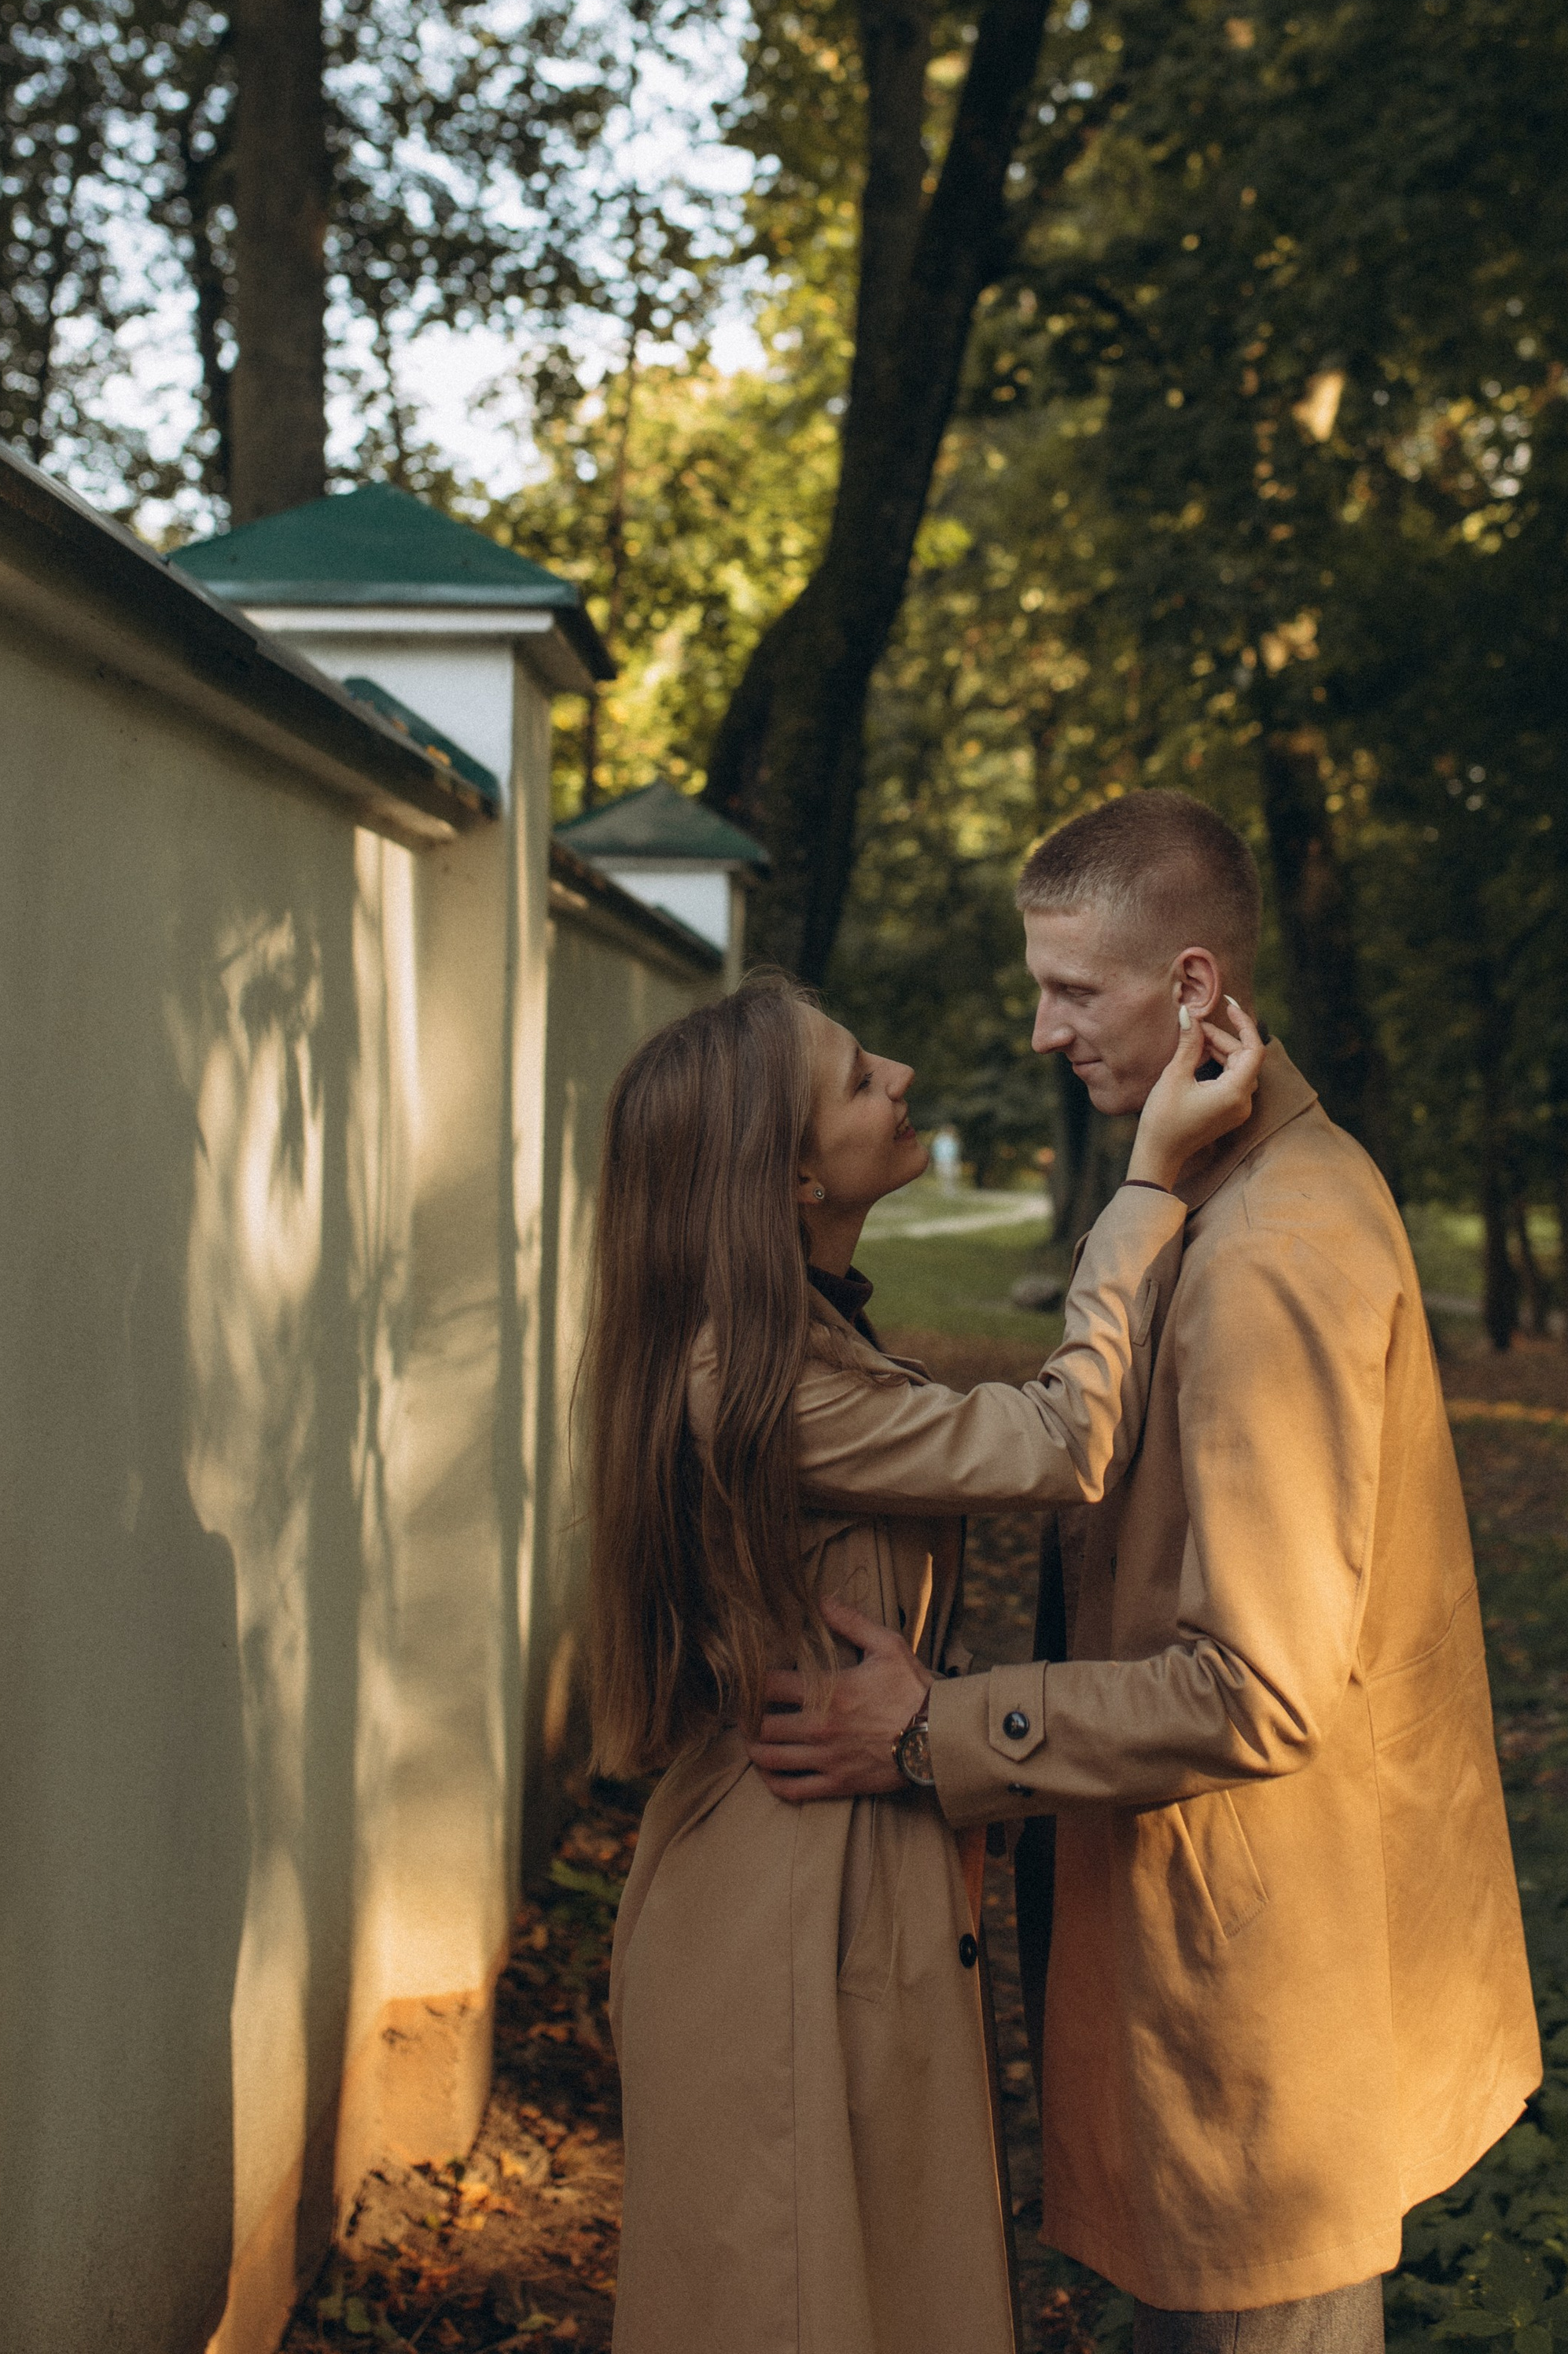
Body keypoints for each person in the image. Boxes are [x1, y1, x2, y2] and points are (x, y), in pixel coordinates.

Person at [749, 792, 1543, 2354]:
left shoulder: (1268, 1250)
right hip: (1226, 1970)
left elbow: (1257, 1689)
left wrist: (930, 1732)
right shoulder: (1210, 1198)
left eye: (1071, 991)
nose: (1041, 1031)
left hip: (1269, 2010)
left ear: (1189, 990)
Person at [587, 964, 1262, 2354]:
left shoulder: (803, 1334)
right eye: (854, 1077)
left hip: (830, 1872)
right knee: (800, 2304)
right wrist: (1146, 1189)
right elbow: (1060, 1442)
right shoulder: (753, 1382)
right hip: (781, 1909)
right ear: (780, 1175)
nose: (898, 1076)